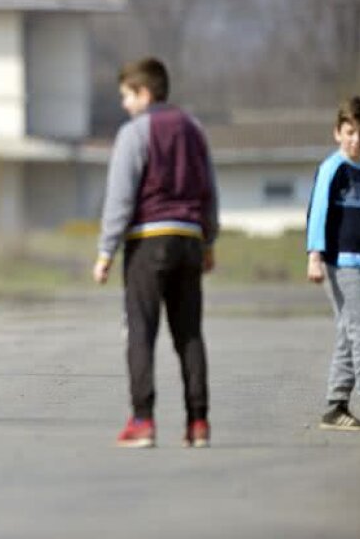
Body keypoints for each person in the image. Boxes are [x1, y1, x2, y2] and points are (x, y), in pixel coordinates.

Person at [93, 57, 218, 449]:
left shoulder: (135, 132)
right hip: (189, 240)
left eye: (127, 96)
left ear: (145, 93)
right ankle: (198, 422)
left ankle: (143, 420)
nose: (125, 105)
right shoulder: (195, 129)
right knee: (190, 334)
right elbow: (208, 190)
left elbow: (121, 196)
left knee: (141, 332)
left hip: (149, 240)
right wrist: (208, 240)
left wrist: (105, 251)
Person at [306, 95, 360, 431]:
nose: (356, 140)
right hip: (339, 262)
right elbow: (317, 214)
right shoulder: (333, 168)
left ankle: (336, 405)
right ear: (337, 133)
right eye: (350, 132)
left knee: (350, 330)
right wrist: (314, 256)